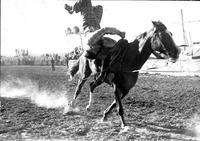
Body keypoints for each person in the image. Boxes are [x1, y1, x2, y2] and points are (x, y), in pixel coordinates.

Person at [64, 0, 125, 79]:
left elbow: (105, 30)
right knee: (99, 7)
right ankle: (79, 8)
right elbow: (106, 33)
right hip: (95, 24)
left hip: (88, 25)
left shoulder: (93, 39)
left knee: (86, 1)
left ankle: (72, 9)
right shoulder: (99, 40)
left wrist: (119, 33)